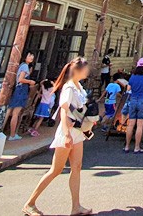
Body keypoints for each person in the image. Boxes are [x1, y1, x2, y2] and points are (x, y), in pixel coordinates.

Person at [23, 57, 92, 216]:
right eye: (85, 68)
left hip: (78, 132)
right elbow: (63, 110)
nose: (87, 71)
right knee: (56, 170)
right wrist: (67, 135)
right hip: (67, 131)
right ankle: (30, 203)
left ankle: (76, 207)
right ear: (77, 70)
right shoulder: (68, 88)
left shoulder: (79, 87)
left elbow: (80, 108)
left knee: (77, 167)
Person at [124, 58, 143, 153]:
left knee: (130, 124)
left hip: (133, 99)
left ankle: (127, 146)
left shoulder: (133, 76)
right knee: (140, 125)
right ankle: (137, 147)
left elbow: (128, 88)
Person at [8, 52, 37, 141]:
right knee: (15, 113)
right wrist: (30, 82)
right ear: (25, 57)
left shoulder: (22, 65)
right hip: (21, 90)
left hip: (19, 89)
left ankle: (8, 132)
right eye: (29, 55)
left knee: (10, 111)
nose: (31, 57)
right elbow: (21, 79)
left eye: (32, 56)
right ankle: (12, 134)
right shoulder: (24, 66)